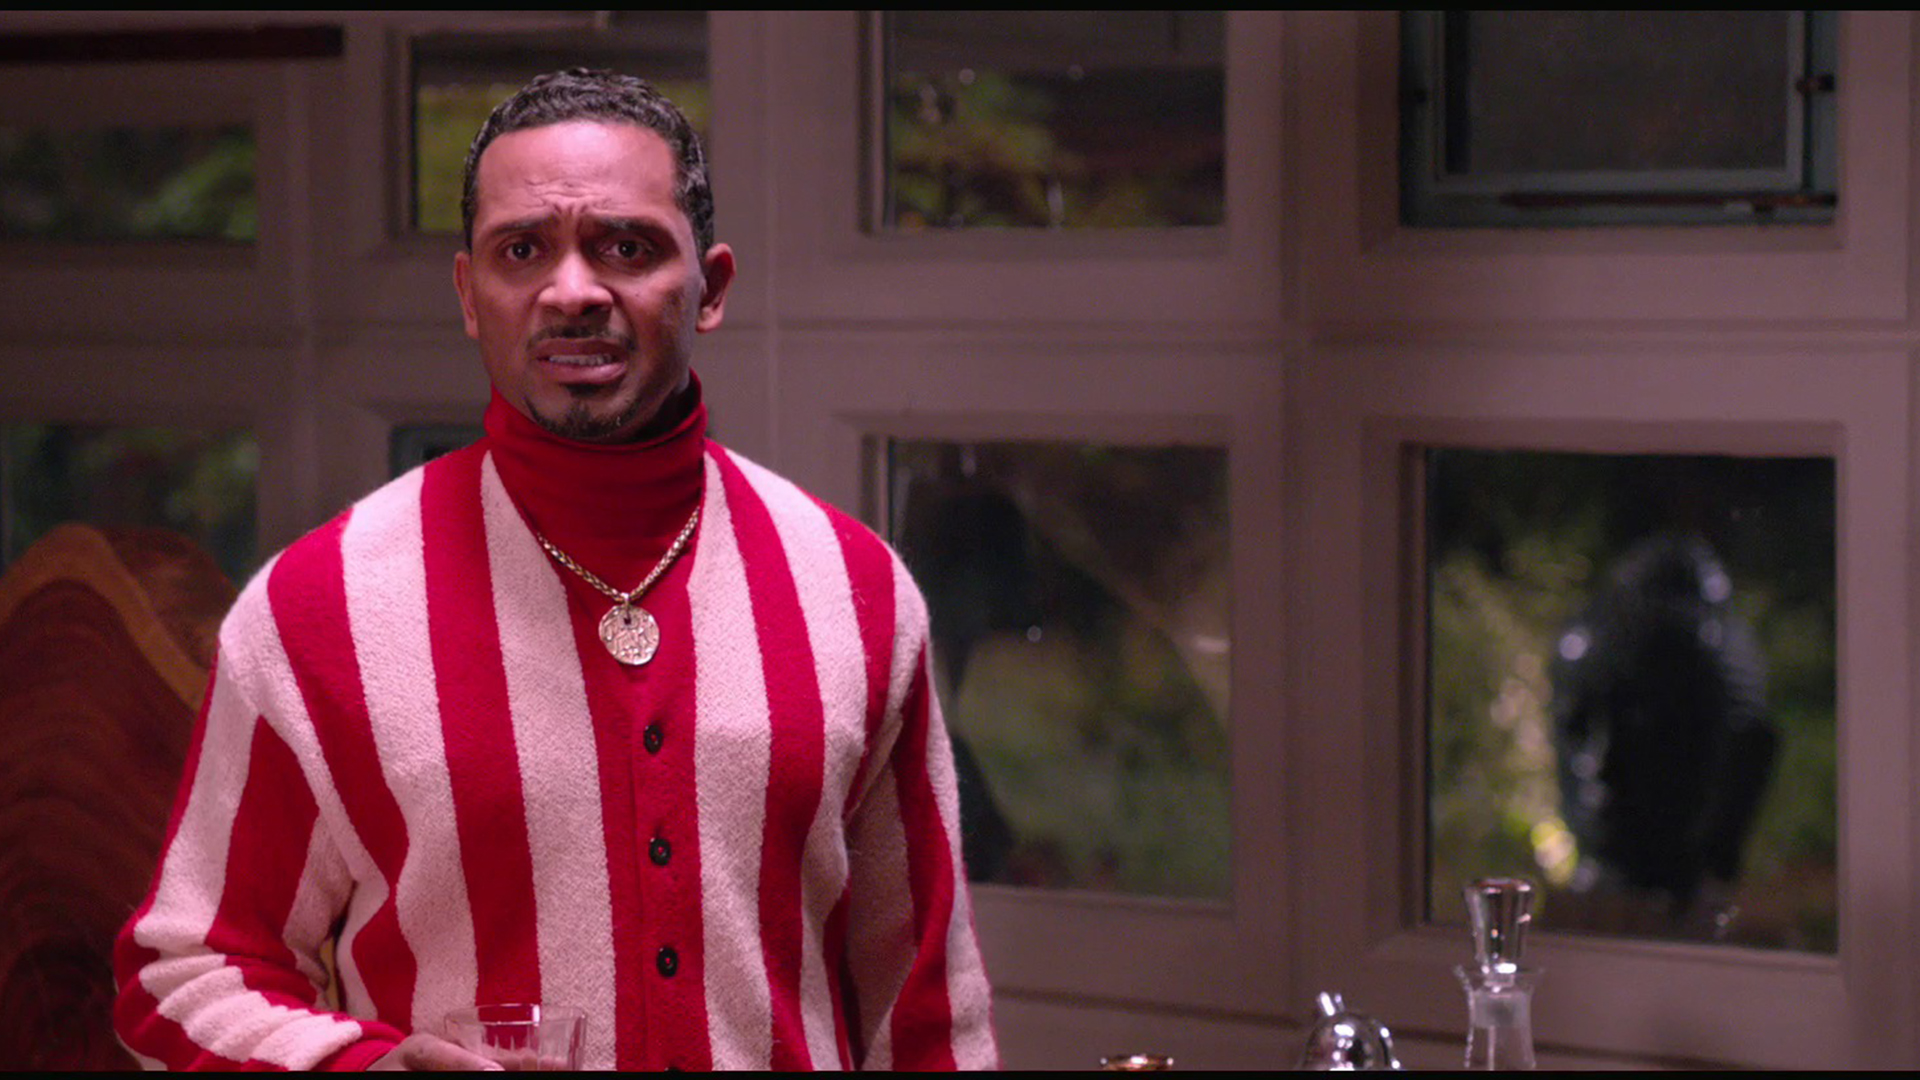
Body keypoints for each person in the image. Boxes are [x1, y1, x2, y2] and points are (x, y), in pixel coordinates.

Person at [112, 68, 998, 1071]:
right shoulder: (318, 608)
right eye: (523, 250)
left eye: (627, 247)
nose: (572, 292)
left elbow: (930, 1013)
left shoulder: (854, 589)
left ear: (711, 288)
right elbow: (187, 975)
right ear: (468, 294)